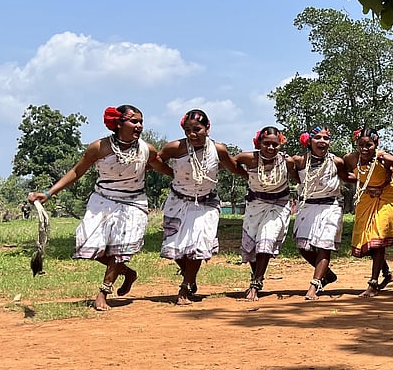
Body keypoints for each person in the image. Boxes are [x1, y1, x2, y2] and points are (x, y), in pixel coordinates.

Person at [27, 105, 171, 311]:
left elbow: (160, 166)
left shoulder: (147, 149)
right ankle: (128, 273)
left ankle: (103, 292)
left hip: (133, 203)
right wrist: (49, 194)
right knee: (87, 246)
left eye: (141, 122)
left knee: (121, 250)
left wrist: (184, 179)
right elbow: (77, 171)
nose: (139, 126)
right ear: (119, 123)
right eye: (134, 121)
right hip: (102, 200)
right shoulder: (99, 147)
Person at [158, 109, 246, 306]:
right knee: (177, 249)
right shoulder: (175, 148)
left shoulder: (218, 149)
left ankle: (185, 287)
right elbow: (155, 161)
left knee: (197, 245)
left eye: (197, 129)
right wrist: (172, 173)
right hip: (178, 202)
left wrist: (255, 178)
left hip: (206, 204)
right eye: (188, 130)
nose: (192, 134)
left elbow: (232, 166)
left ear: (207, 128)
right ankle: (190, 277)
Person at [233, 127, 296, 301]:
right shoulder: (249, 158)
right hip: (255, 205)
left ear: (280, 144)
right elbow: (232, 163)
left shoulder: (287, 161)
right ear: (258, 143)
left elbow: (297, 176)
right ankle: (257, 276)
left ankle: (256, 283)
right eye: (266, 143)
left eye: (275, 144)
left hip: (278, 205)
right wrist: (244, 174)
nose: (270, 148)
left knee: (266, 240)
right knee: (252, 245)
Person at [344, 127, 393, 297]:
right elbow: (342, 173)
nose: (364, 148)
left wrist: (389, 175)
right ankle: (387, 273)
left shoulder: (384, 158)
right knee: (368, 243)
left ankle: (373, 283)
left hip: (387, 198)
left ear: (376, 144)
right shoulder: (351, 159)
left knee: (378, 239)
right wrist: (364, 185)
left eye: (368, 145)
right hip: (366, 199)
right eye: (360, 144)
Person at [293, 127, 348, 300]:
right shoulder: (299, 161)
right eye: (318, 137)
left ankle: (314, 285)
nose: (322, 141)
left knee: (324, 245)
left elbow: (347, 177)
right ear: (309, 141)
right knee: (303, 247)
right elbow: (295, 176)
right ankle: (328, 275)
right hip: (307, 205)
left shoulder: (336, 161)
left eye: (326, 138)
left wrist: (373, 180)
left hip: (330, 206)